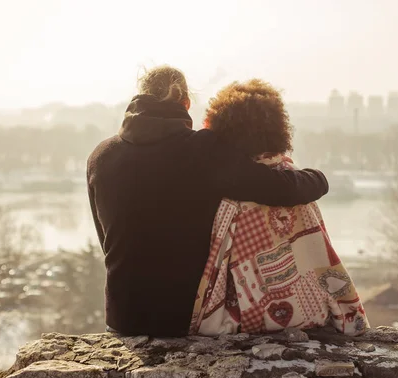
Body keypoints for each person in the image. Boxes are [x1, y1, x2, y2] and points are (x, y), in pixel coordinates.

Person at [87, 66, 329, 337]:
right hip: (183, 318)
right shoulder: (202, 149)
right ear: (186, 104)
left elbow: (107, 238)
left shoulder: (101, 156)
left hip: (123, 319)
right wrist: (318, 178)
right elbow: (278, 189)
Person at [190, 79, 368, 336]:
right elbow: (323, 258)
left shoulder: (224, 186)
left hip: (240, 324)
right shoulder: (292, 180)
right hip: (307, 319)